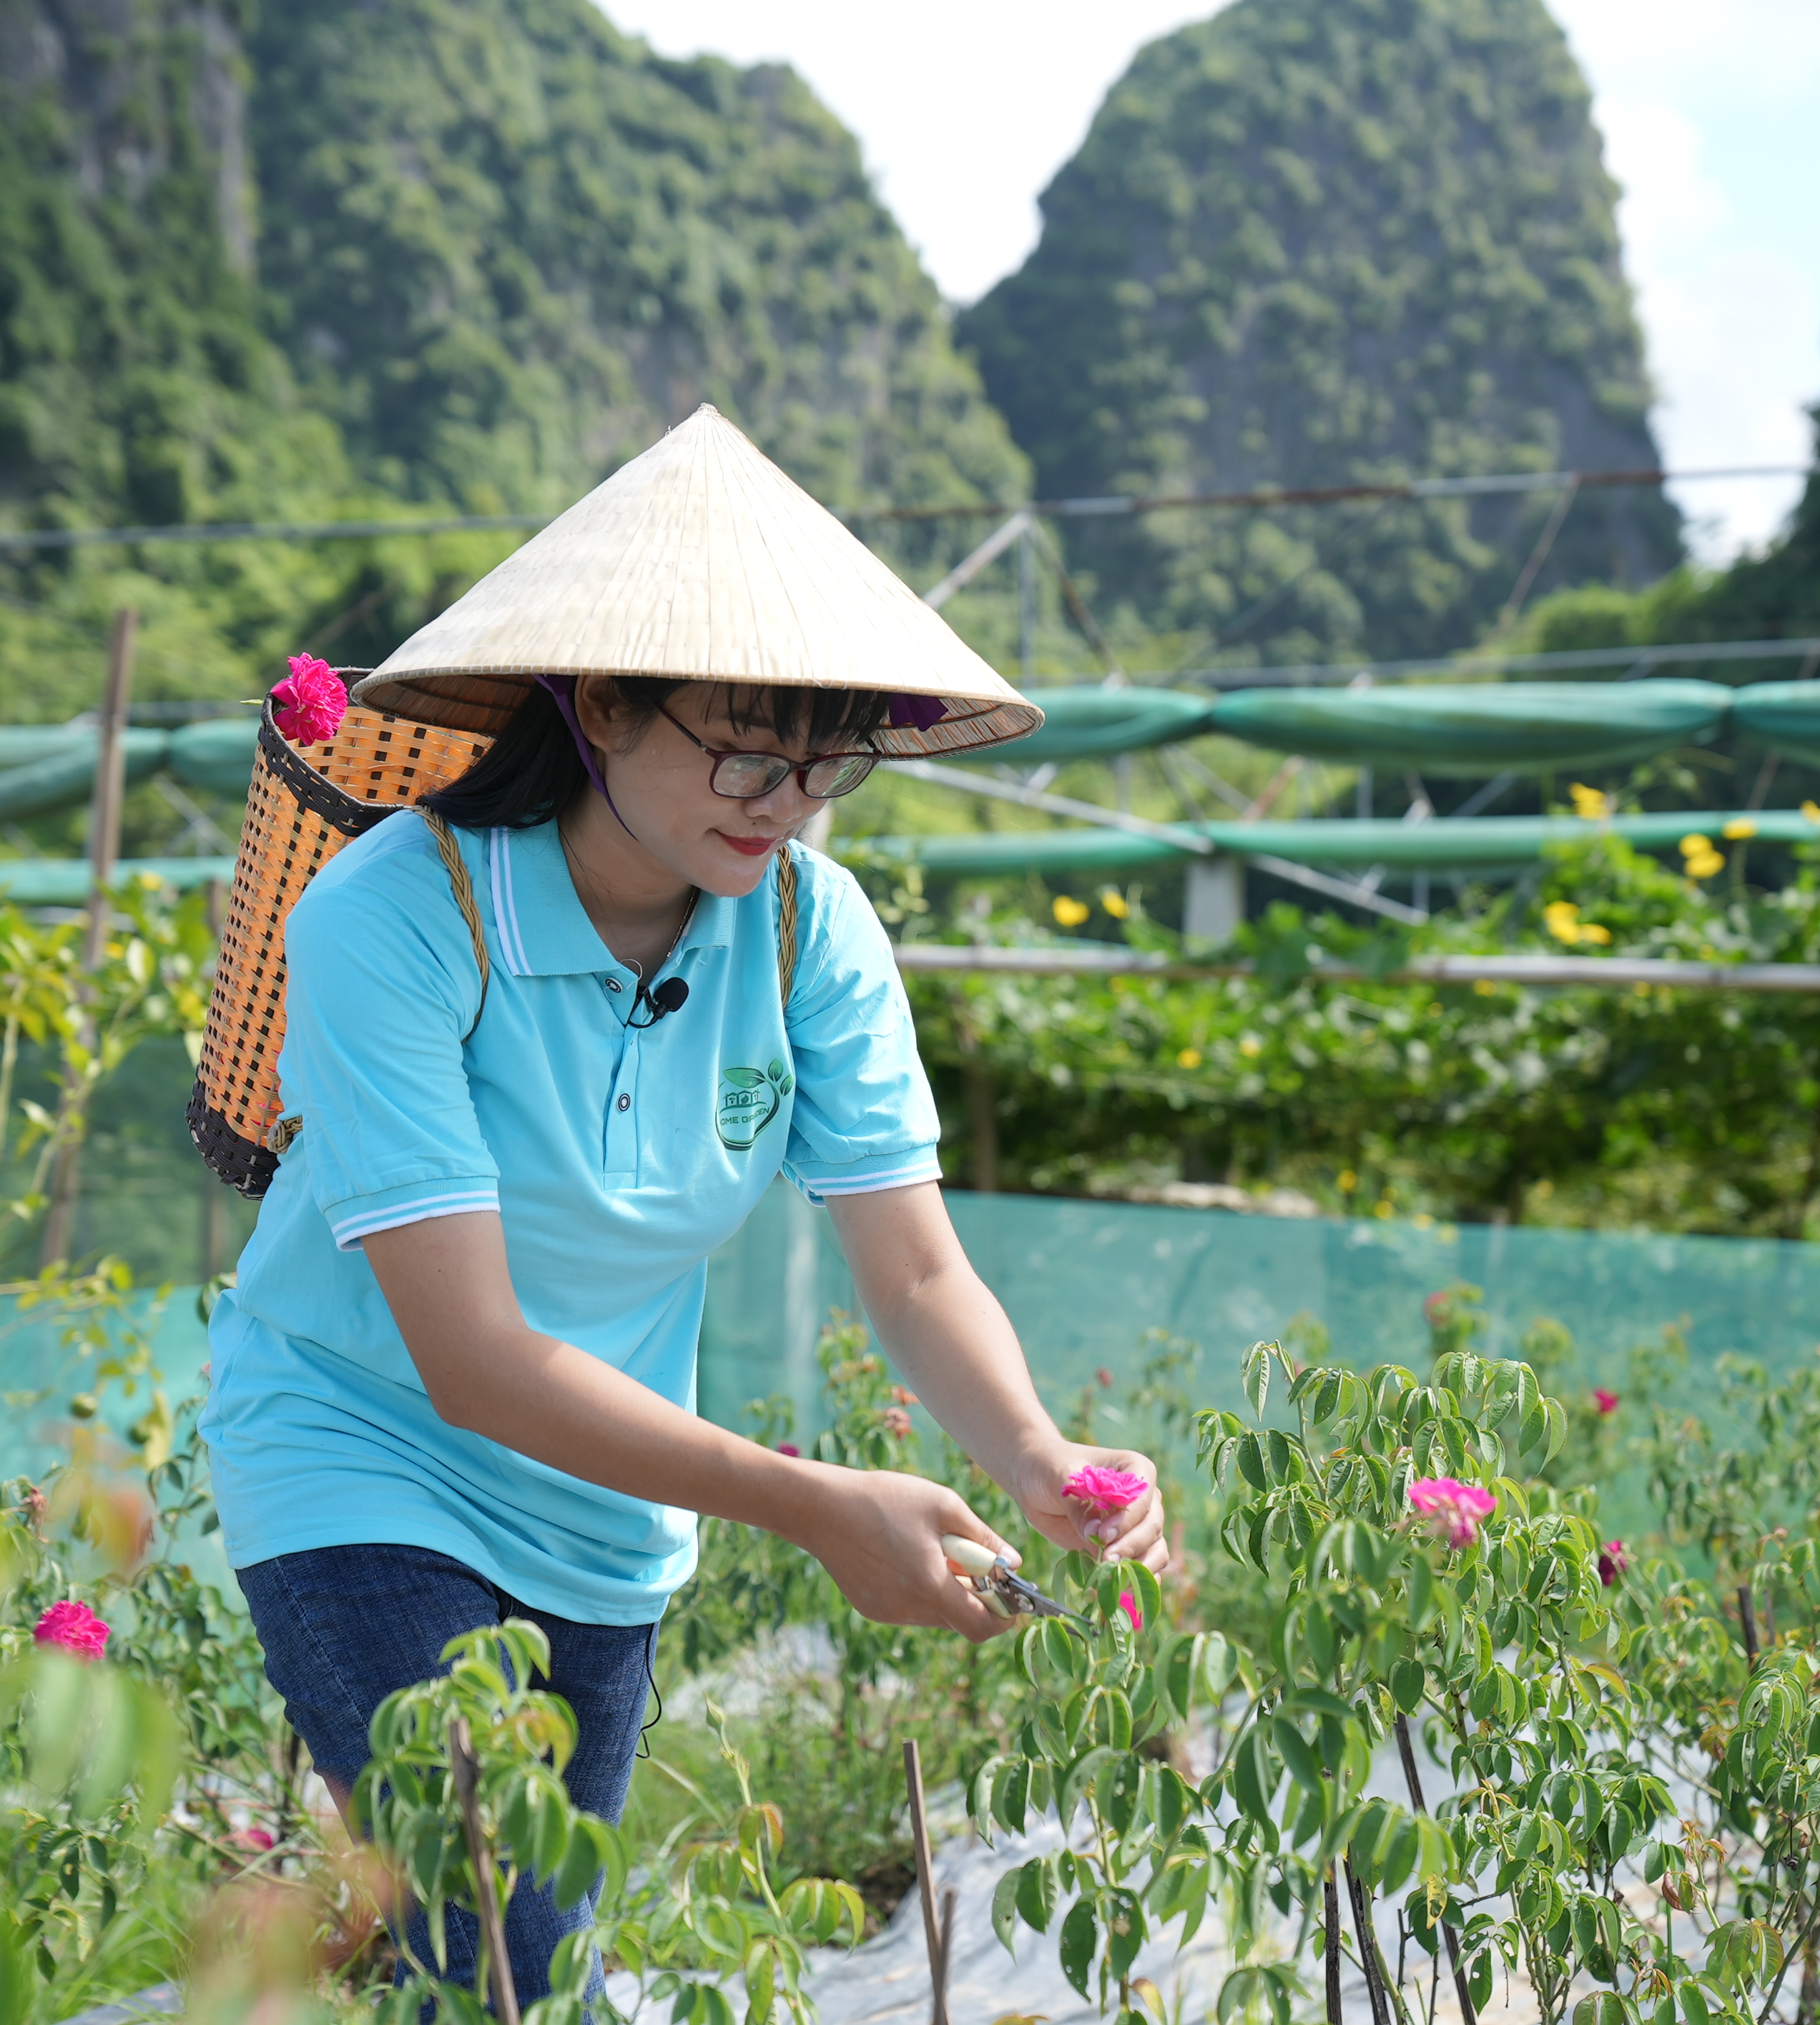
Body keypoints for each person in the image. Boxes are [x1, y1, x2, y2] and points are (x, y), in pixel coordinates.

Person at [199, 408, 1169, 2007]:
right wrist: (812, 1503)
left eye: (822, 758)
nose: (781, 799)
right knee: (495, 1937)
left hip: (607, 1508)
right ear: (597, 706)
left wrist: (1043, 1460)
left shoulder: (803, 929)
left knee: (522, 1960)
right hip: (361, 1449)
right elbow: (473, 1360)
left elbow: (917, 1271)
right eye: (741, 745)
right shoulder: (395, 914)